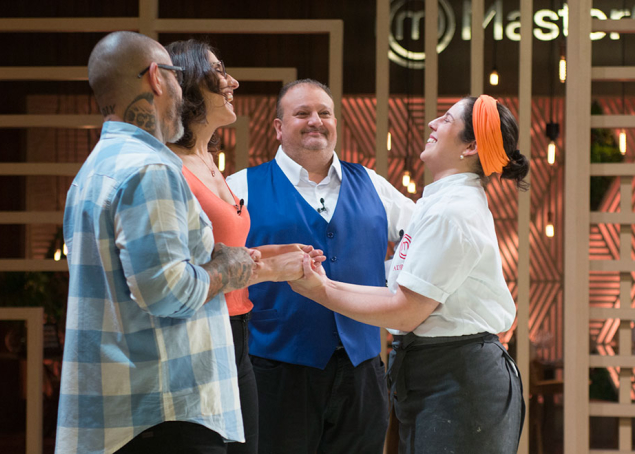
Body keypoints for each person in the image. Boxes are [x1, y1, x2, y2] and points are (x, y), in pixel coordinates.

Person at [56, 31, 260, 454]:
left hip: (125, 412)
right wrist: (226, 269)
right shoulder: (150, 168)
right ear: (156, 77)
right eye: (175, 75)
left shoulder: (93, 170)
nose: (180, 89)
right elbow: (167, 291)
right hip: (163, 411)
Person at [289, 95, 528, 454]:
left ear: (470, 148)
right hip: (438, 374)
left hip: (460, 379)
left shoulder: (453, 211)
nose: (433, 123)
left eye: (446, 119)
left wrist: (320, 291)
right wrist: (322, 283)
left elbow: (405, 311)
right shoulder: (438, 204)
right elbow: (397, 293)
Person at [227, 79, 416, 453]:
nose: (315, 120)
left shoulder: (373, 184)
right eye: (302, 113)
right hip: (274, 371)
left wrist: (389, 279)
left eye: (324, 113)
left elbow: (424, 241)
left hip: (362, 372)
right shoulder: (241, 186)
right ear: (279, 127)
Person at [165, 39, 324, 454]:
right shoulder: (169, 168)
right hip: (197, 337)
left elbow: (220, 252)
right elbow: (180, 274)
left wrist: (277, 253)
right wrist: (272, 269)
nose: (232, 81)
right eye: (219, 71)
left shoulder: (209, 161)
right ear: (189, 83)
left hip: (238, 336)